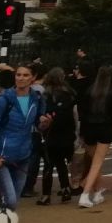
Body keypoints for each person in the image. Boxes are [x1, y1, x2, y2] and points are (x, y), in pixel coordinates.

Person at [0, 63, 44, 214]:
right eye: (18, 75)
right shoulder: (4, 100)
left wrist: (44, 123)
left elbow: (37, 125)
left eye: (25, 75)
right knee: (10, 200)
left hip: (23, 155)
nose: (21, 78)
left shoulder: (36, 98)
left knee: (13, 202)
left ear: (33, 78)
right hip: (1, 156)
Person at [77, 64, 112, 209]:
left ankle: (97, 192)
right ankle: (85, 194)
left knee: (94, 161)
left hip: (89, 128)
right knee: (97, 162)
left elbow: (82, 110)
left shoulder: (90, 90)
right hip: (105, 128)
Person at [36, 68, 76, 205]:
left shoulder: (46, 95)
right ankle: (65, 188)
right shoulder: (69, 94)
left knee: (49, 164)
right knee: (61, 163)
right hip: (66, 133)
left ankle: (46, 194)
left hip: (51, 133)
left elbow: (43, 113)